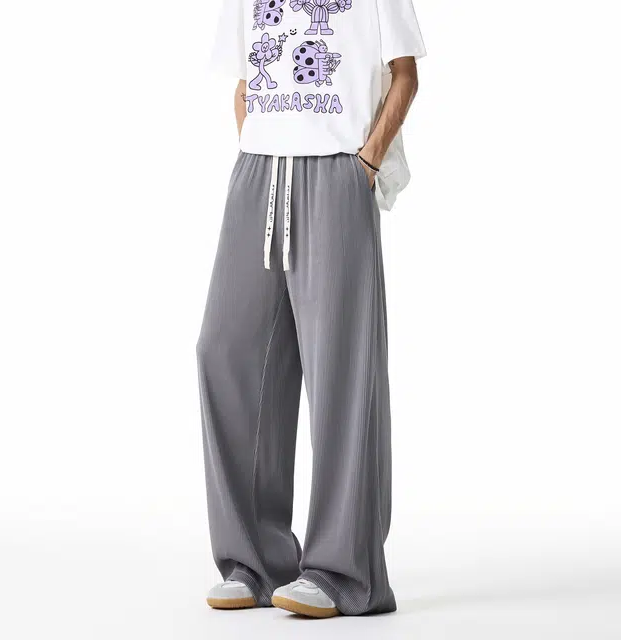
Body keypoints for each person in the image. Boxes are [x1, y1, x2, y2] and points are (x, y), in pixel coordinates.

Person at [197, 0, 426, 618]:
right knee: (226, 351)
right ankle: (253, 561)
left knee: (341, 368)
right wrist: (257, 144)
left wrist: (367, 161)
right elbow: (245, 81)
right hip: (258, 171)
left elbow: (404, 72)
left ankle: (342, 571)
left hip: (337, 171)